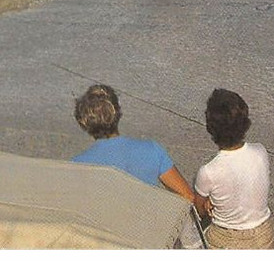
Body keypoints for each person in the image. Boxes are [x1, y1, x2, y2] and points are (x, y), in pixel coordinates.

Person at [71, 83, 210, 217]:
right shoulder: (151, 150)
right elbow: (188, 197)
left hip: (102, 236)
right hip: (147, 234)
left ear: (83, 123)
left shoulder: (76, 166)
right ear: (118, 112)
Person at [195, 88, 274, 249]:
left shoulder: (208, 171)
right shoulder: (260, 151)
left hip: (227, 240)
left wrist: (209, 203)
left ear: (211, 128)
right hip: (263, 236)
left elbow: (199, 210)